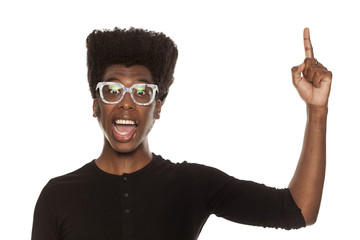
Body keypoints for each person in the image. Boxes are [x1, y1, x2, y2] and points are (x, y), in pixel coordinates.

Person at [31, 27, 332, 240]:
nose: (126, 102)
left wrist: (317, 112)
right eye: (112, 90)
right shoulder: (57, 196)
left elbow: (298, 210)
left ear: (157, 108)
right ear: (96, 106)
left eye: (141, 91)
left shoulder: (191, 185)